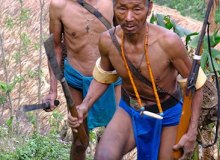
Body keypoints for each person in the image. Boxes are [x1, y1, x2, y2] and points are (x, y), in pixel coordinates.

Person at [68, 0, 207, 159]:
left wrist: (191, 132)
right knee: (104, 156)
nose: (128, 17)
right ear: (114, 7)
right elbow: (103, 77)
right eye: (122, 8)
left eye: (137, 9)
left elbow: (195, 86)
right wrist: (84, 106)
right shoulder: (108, 41)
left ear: (149, 8)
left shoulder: (169, 42)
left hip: (168, 114)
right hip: (131, 109)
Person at [43, 0, 121, 159]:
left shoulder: (112, 2)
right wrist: (52, 91)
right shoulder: (59, 6)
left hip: (111, 76)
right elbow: (55, 46)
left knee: (114, 140)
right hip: (77, 78)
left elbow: (125, 35)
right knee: (80, 142)